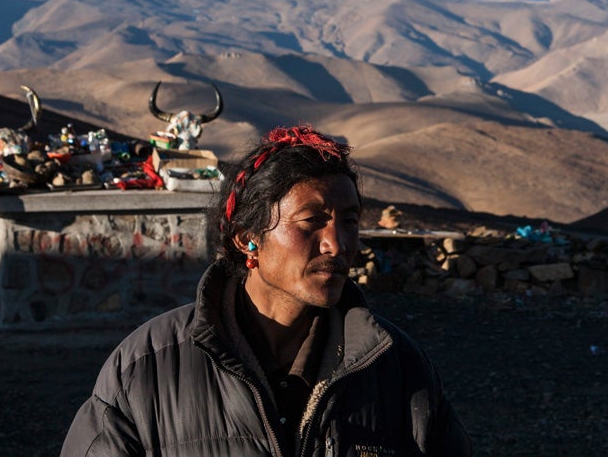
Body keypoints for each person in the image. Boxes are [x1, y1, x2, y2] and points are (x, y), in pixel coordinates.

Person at [61, 125, 471, 457]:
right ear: (247, 239)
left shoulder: (399, 369)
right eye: (312, 221)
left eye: (349, 221)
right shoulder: (147, 369)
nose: (338, 244)